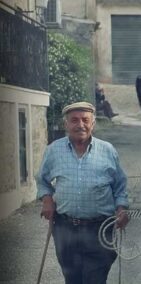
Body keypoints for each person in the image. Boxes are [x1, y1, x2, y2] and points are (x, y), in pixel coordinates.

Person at [36, 101, 129, 284]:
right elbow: (42, 180)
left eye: (85, 120)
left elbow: (120, 186)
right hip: (64, 228)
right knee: (72, 278)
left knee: (95, 279)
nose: (80, 125)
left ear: (93, 123)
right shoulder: (54, 150)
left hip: (100, 229)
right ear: (66, 124)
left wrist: (122, 208)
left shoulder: (108, 150)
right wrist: (47, 198)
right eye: (74, 120)